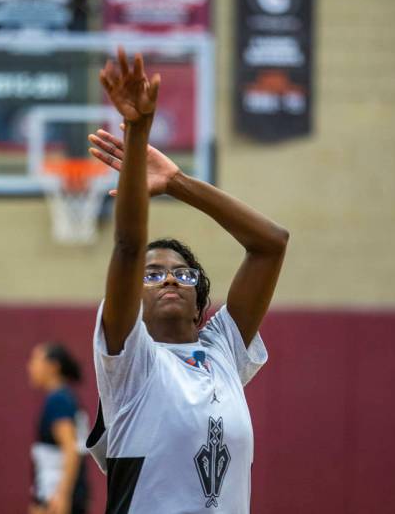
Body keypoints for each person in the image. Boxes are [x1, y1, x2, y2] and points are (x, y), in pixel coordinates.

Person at [84, 48, 289, 514]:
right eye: (153, 275)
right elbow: (128, 246)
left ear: (201, 306)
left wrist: (177, 182)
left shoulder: (222, 351)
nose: (169, 279)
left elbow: (271, 243)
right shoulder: (129, 363)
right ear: (134, 303)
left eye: (182, 272)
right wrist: (137, 134)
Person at [27, 342, 89, 514]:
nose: (30, 366)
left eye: (35, 360)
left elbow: (71, 449)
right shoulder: (64, 397)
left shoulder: (58, 400)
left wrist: (62, 495)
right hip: (53, 495)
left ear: (53, 366)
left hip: (55, 498)